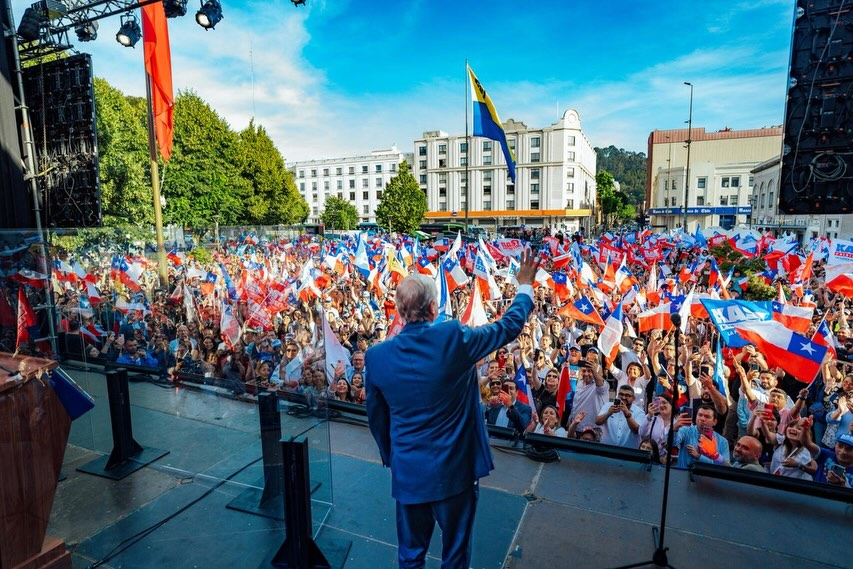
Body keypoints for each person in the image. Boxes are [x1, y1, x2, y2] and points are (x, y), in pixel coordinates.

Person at [364, 249, 539, 569]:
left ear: (400, 312)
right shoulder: (452, 336)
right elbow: (508, 327)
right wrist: (524, 285)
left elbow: (376, 417)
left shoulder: (376, 357)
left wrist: (393, 457)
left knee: (410, 555)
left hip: (409, 472)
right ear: (434, 308)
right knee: (455, 556)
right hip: (455, 472)